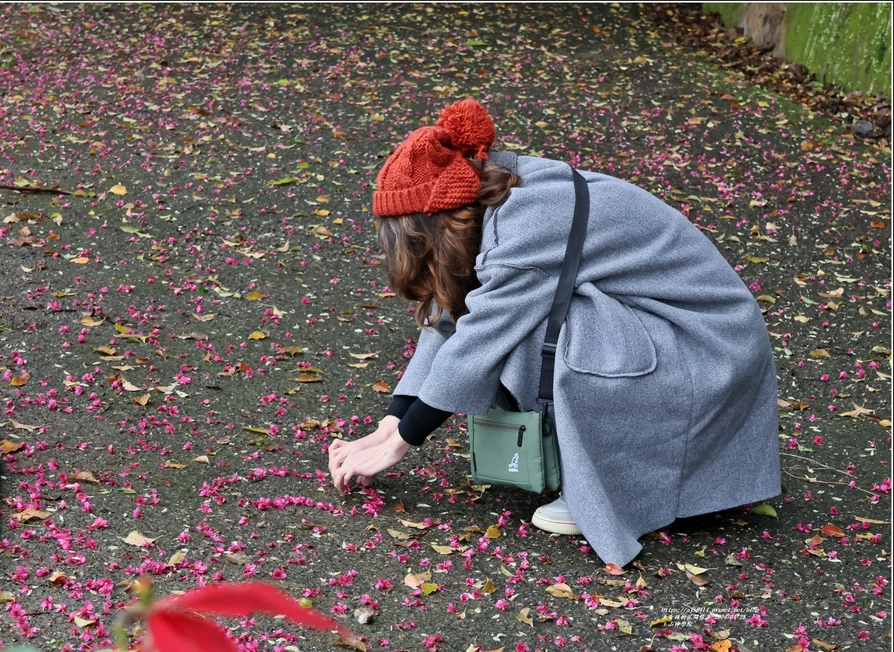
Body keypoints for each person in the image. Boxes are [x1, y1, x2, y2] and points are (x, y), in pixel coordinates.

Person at [328, 99, 781, 567]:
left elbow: (478, 340)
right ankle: (595, 471)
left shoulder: (529, 225)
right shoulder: (496, 192)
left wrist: (401, 443)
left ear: (434, 231)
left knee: (538, 330)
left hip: (707, 358)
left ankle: (604, 490)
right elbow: (453, 318)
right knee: (521, 317)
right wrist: (389, 424)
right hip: (683, 343)